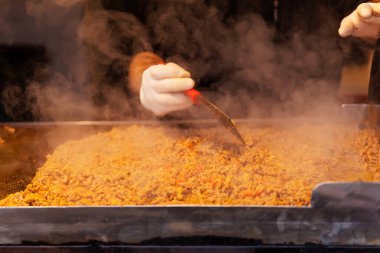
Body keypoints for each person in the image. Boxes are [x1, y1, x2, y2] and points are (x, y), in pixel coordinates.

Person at [129, 1, 380, 117]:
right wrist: (144, 79)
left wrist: (371, 23)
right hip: (190, 129)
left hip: (317, 127)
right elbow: (123, 32)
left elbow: (363, 16)